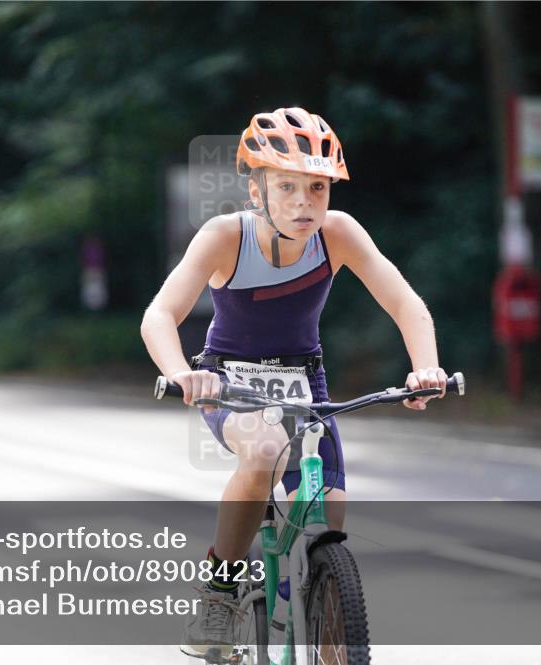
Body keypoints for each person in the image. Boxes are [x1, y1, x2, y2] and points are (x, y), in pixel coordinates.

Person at [140, 107, 448, 660]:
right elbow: (159, 315)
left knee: (329, 513)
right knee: (260, 452)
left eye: (317, 188)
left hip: (305, 378)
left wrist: (425, 366)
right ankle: (220, 592)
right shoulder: (224, 237)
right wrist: (180, 373)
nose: (305, 203)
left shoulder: (339, 234)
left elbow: (406, 303)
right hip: (229, 378)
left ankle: (316, 623)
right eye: (288, 187)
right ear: (257, 190)